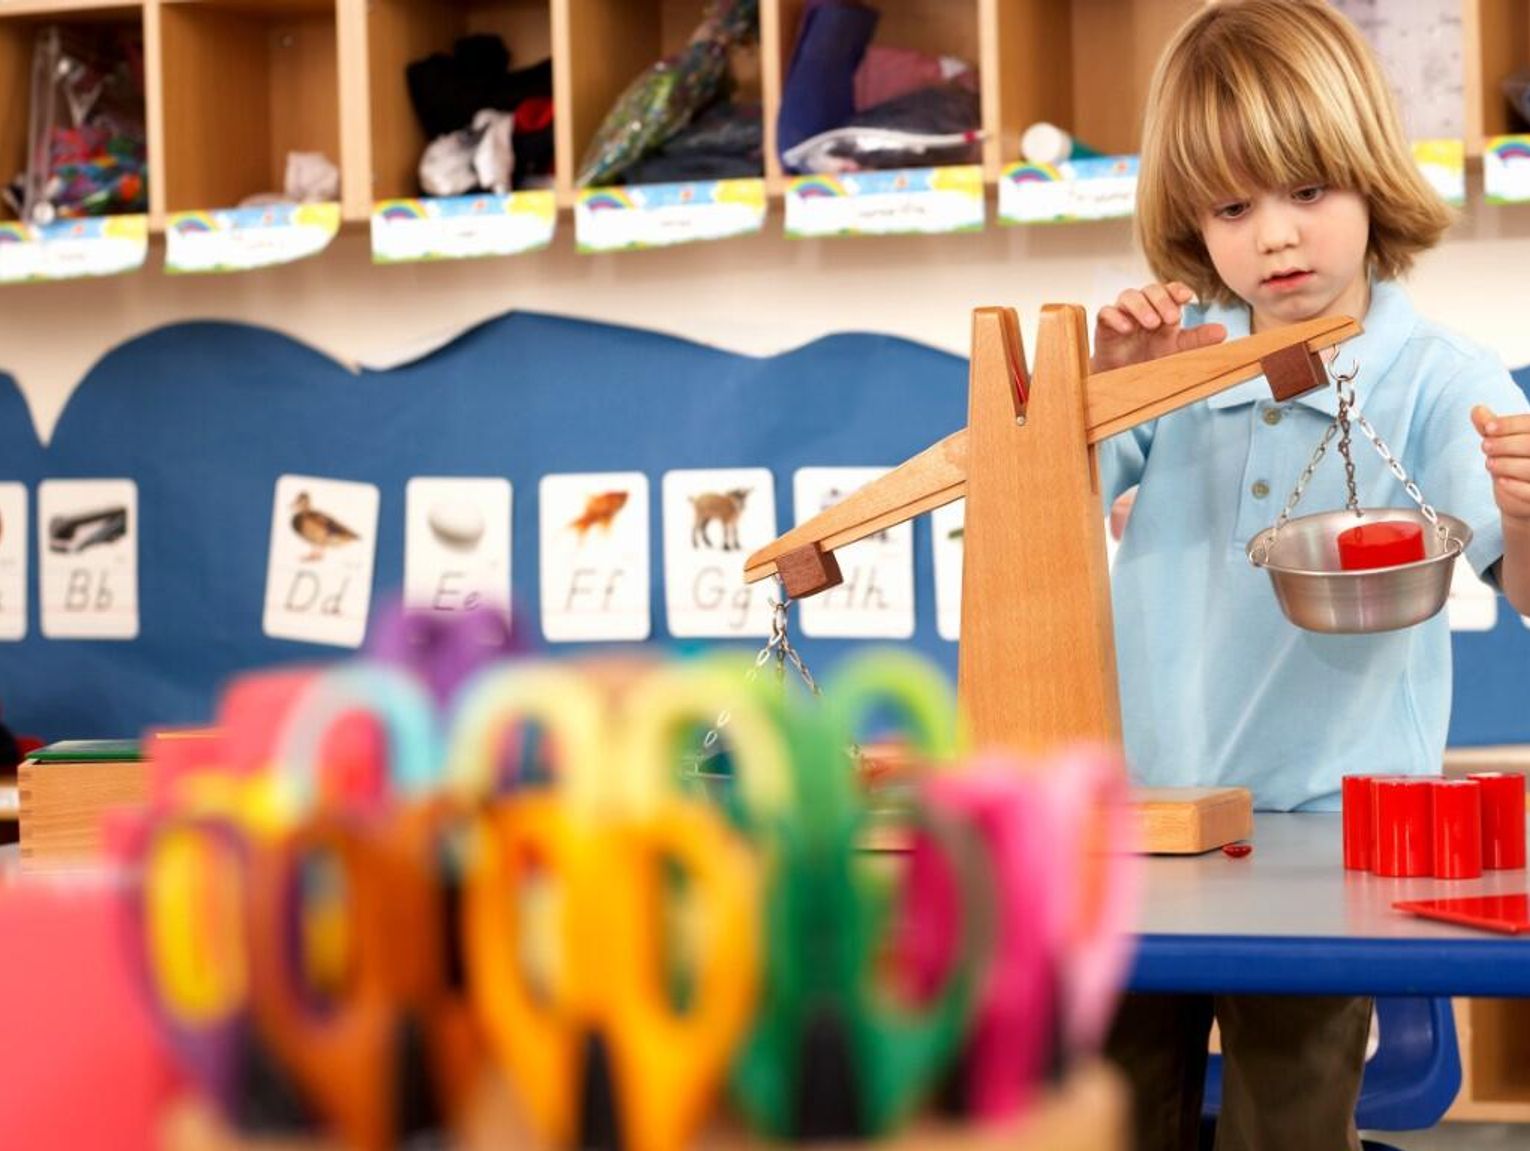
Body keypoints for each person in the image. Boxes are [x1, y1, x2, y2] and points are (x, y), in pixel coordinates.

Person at [1091, 2, 1530, 1149]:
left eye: (1308, 191)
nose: (1275, 237)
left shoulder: (1438, 378)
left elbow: (1525, 581)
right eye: (1234, 207)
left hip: (1320, 844)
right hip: (1142, 829)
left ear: (1370, 181)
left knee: (1290, 1121)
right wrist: (1104, 392)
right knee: (1113, 1113)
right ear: (1193, 219)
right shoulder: (1180, 365)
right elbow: (1033, 512)